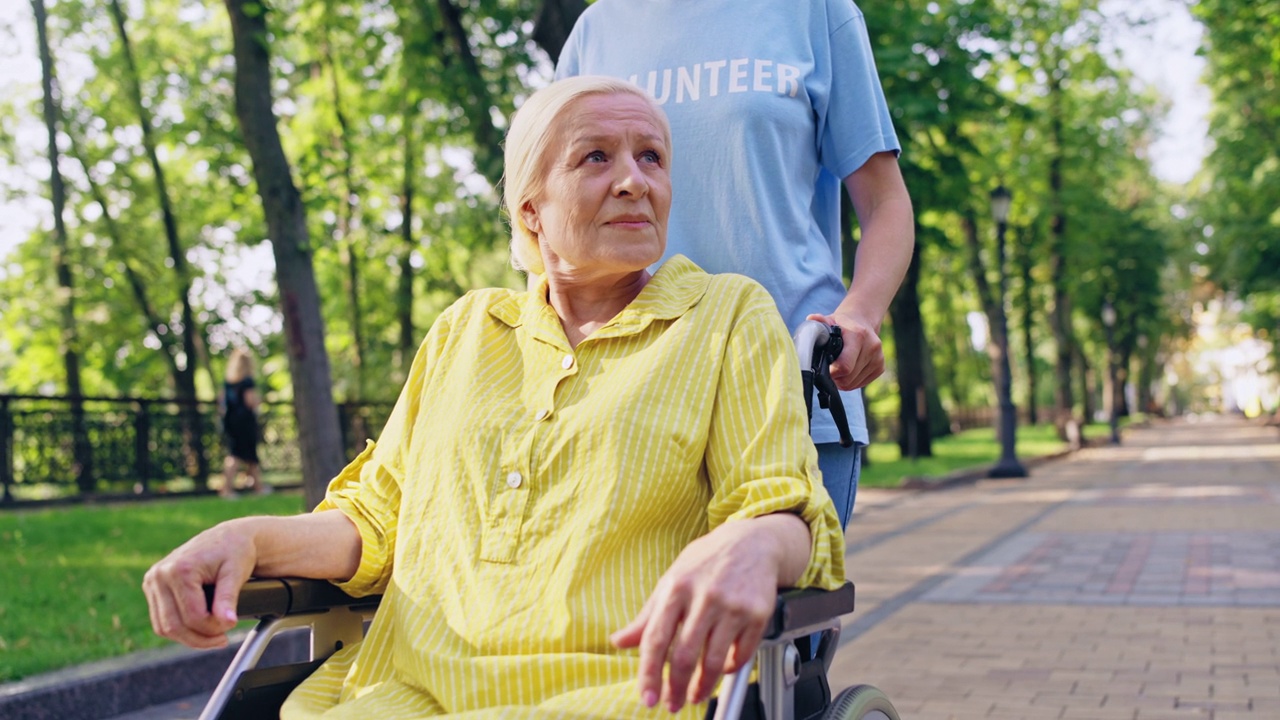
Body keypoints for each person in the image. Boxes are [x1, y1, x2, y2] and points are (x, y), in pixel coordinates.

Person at [143, 76, 845, 719]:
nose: (635, 181)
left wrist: (757, 546)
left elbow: (776, 502)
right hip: (407, 691)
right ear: (531, 212)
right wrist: (245, 538)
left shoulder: (726, 316)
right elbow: (374, 520)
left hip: (615, 694)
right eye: (596, 158)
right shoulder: (467, 330)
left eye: (652, 158)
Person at [556, 0, 916, 525]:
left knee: (779, 604)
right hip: (625, 400)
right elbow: (552, 218)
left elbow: (886, 203)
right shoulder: (593, 32)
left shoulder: (815, 12)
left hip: (790, 384)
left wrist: (860, 312)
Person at [219, 348, 265, 497]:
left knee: (241, 455)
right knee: (244, 455)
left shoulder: (228, 382)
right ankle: (230, 489)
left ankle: (256, 486)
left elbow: (221, 403)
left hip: (231, 422)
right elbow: (250, 401)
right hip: (245, 423)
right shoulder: (247, 382)